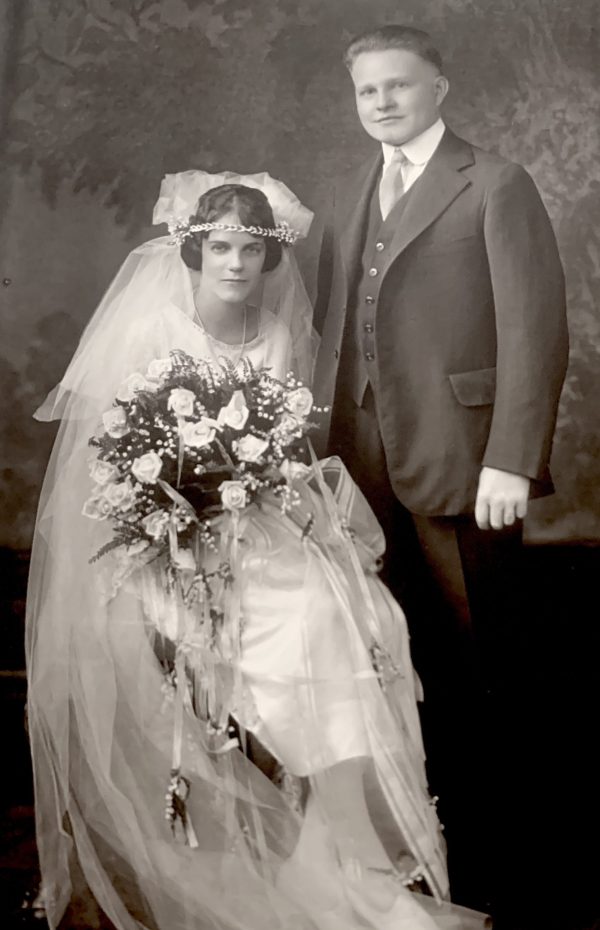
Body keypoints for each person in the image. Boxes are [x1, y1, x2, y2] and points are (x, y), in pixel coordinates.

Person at [26, 171, 486, 930]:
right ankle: (352, 859)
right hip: (168, 539)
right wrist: (174, 518)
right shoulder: (155, 331)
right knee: (294, 631)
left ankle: (346, 859)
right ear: (195, 252)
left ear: (269, 258)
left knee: (354, 617)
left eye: (249, 250)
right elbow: (108, 458)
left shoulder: (274, 333)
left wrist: (280, 491)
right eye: (221, 249)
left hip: (258, 523)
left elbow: (279, 453)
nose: (236, 265)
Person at [313, 24, 569, 910]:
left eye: (398, 86)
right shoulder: (357, 189)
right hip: (364, 465)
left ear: (440, 89)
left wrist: (512, 459)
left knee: (483, 671)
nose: (381, 102)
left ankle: (512, 874)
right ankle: (430, 865)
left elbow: (536, 332)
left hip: (465, 465)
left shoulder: (496, 183)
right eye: (366, 91)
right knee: (394, 664)